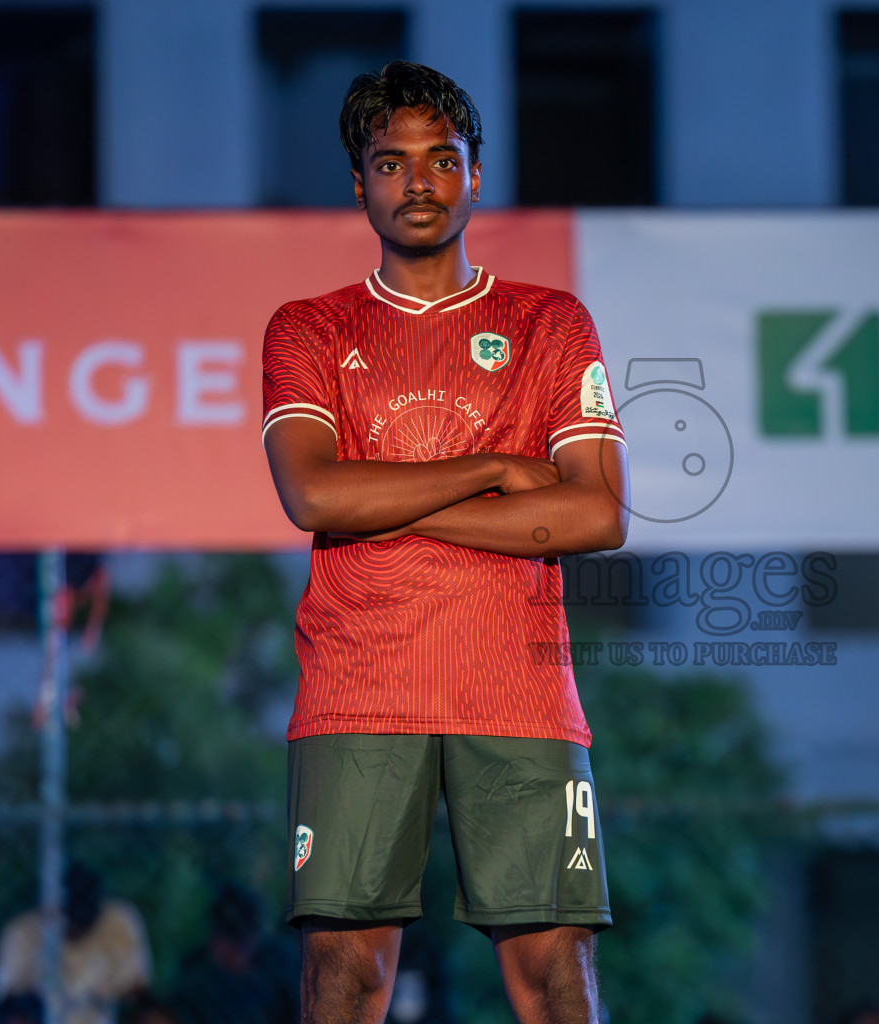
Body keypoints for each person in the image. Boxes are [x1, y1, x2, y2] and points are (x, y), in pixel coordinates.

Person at [260, 61, 628, 1024]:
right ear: (359, 184)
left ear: (474, 173)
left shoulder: (551, 322)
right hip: (357, 686)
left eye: (440, 159)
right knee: (345, 971)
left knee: (554, 972)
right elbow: (311, 493)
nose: (416, 182)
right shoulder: (306, 328)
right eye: (391, 162)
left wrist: (375, 502)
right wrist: (494, 467)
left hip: (519, 687)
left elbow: (596, 515)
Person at [0, 864, 152, 1024]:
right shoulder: (22, 933)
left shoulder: (118, 923)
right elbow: (5, 1004)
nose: (77, 931)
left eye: (83, 922)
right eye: (71, 922)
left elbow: (136, 991)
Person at [168, 883, 298, 1024]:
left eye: (240, 938)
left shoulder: (279, 966)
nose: (233, 949)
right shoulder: (195, 977)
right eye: (224, 936)